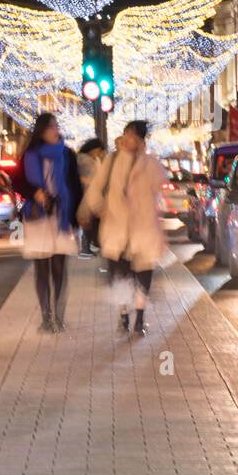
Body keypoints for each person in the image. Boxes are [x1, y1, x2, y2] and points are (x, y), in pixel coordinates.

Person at [79, 120, 167, 336]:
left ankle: (140, 318)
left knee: (144, 278)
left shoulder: (151, 163)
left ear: (141, 140)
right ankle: (124, 316)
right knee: (120, 279)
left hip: (143, 229)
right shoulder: (111, 161)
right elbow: (95, 189)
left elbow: (161, 188)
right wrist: (99, 208)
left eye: (134, 136)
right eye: (127, 134)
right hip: (117, 229)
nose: (129, 139)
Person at [18, 113, 83, 333]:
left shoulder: (67, 154)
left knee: (59, 268)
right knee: (41, 268)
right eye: (50, 127)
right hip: (38, 216)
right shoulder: (30, 153)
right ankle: (46, 318)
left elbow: (75, 187)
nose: (55, 130)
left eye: (56, 126)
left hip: (61, 216)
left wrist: (75, 219)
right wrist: (34, 193)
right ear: (42, 130)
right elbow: (18, 181)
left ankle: (59, 315)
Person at [75, 138, 106, 257]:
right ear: (93, 148)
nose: (99, 153)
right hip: (87, 193)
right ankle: (86, 247)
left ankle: (88, 246)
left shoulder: (94, 159)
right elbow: (80, 176)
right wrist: (90, 181)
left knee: (90, 220)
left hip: (92, 192)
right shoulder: (83, 159)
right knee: (87, 220)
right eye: (99, 150)